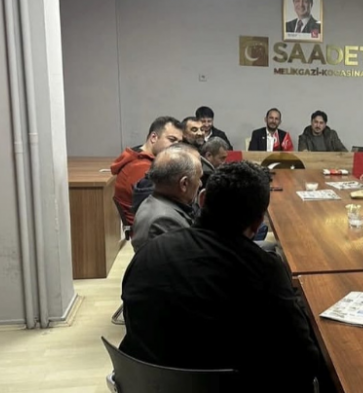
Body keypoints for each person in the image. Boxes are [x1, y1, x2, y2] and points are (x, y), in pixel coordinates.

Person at [120, 161, 321, 391]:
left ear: (202, 199)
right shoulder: (265, 270)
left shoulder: (148, 252)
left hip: (146, 383)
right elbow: (305, 360)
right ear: (258, 223)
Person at [111, 116, 182, 227]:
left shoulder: (139, 158)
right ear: (153, 137)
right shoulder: (141, 168)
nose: (177, 147)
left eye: (179, 142)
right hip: (147, 230)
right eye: (172, 140)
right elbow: (158, 209)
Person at [131, 144, 202, 252]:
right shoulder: (163, 220)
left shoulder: (156, 201)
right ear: (184, 184)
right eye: (199, 178)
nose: (200, 184)